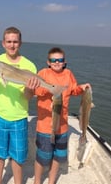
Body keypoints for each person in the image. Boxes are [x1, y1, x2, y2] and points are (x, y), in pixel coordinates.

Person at [0, 26, 40, 184]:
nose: (12, 45)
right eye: (9, 41)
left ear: (20, 43)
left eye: (15, 42)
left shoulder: (30, 66)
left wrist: (30, 88)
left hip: (20, 116)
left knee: (18, 157)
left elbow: (28, 97)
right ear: (3, 43)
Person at [33, 47, 91, 184]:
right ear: (48, 62)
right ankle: (37, 181)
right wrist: (52, 89)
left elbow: (73, 90)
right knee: (43, 157)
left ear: (65, 62)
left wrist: (82, 88)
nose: (57, 62)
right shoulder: (43, 73)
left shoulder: (68, 74)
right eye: (54, 60)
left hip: (63, 127)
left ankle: (51, 181)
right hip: (45, 126)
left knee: (58, 157)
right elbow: (37, 91)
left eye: (60, 60)